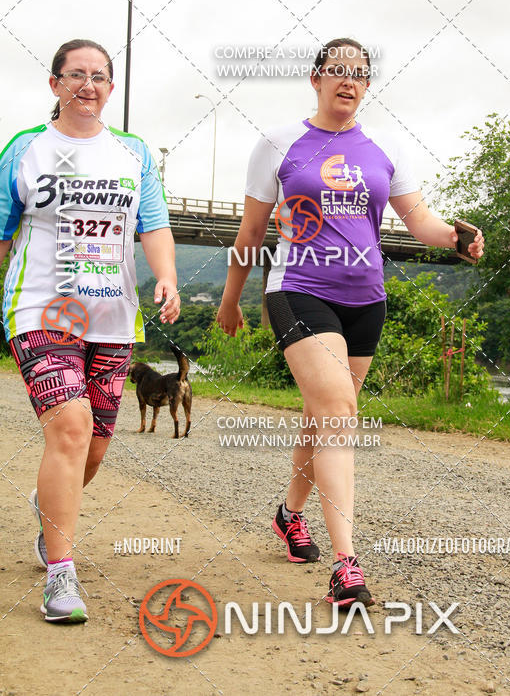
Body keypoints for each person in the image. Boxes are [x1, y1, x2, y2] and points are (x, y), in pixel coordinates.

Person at [217, 37, 484, 607]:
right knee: (339, 408)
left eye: (359, 73)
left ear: (367, 84)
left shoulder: (386, 147)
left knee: (324, 417)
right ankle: (346, 566)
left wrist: (456, 238)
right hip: (298, 288)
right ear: (315, 78)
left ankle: (289, 515)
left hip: (365, 299)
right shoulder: (278, 143)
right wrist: (230, 299)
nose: (348, 81)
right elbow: (252, 232)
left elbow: (418, 221)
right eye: (337, 71)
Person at [0, 38, 180, 623]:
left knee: (94, 449)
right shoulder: (25, 150)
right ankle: (60, 576)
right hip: (41, 309)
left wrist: (169, 279)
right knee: (71, 429)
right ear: (54, 84)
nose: (88, 84)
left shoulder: (133, 153)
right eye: (75, 74)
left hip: (112, 316)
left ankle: (48, 504)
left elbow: (152, 226)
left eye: (100, 76)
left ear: (110, 87)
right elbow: (2, 234)